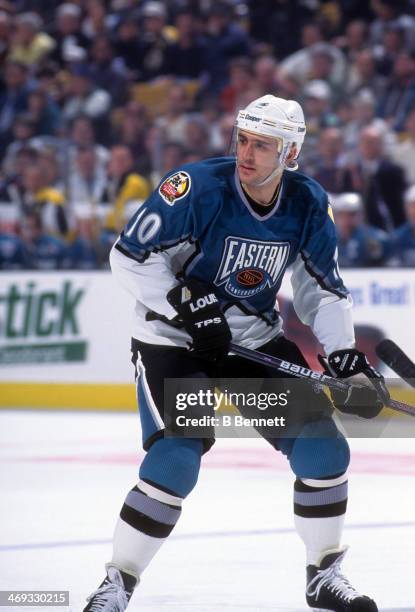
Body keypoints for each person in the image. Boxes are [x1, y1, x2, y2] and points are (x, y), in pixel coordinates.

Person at [84, 95, 389, 611]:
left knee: (324, 448)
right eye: (243, 140)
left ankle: (323, 575)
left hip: (248, 343)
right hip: (173, 342)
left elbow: (323, 291)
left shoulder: (308, 203)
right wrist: (185, 303)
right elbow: (129, 258)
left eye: (262, 145)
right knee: (178, 456)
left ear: (289, 153)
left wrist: (342, 358)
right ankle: (117, 585)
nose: (246, 153)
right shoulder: (195, 187)